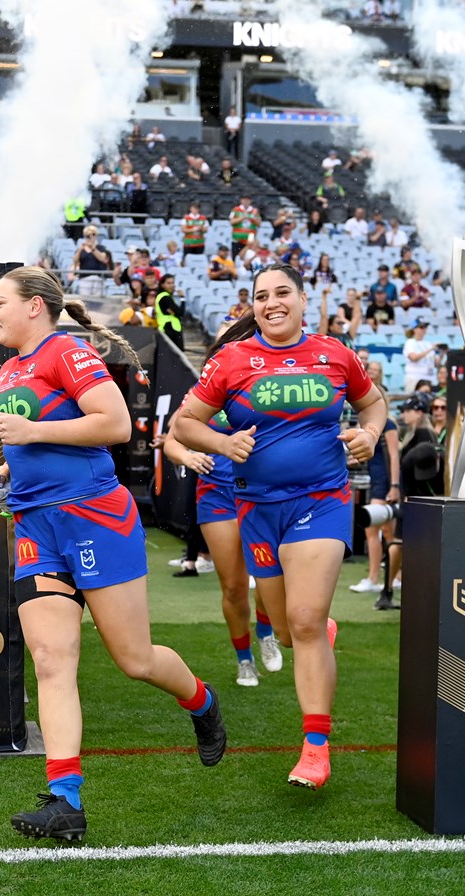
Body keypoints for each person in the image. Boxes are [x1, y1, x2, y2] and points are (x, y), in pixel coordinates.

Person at [0, 266, 225, 842]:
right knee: (50, 659)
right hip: (36, 525)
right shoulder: (12, 368)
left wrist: (33, 436)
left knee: (134, 659)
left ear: (35, 306)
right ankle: (65, 801)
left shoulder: (68, 353)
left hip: (94, 516)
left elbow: (115, 424)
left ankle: (202, 701)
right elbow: (25, 440)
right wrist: (3, 470)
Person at [173, 263, 386, 791]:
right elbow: (184, 424)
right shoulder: (231, 359)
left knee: (307, 619)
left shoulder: (335, 354)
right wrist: (222, 444)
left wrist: (371, 434)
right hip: (256, 510)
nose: (272, 302)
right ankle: (312, 632)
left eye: (282, 292)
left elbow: (372, 403)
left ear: (302, 298)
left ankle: (316, 748)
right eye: (261, 295)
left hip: (322, 501)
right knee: (290, 632)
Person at [165, 313, 285, 686]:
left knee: (269, 578)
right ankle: (244, 658)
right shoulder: (203, 389)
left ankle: (266, 630)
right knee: (233, 586)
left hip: (263, 492)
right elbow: (172, 439)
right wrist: (188, 457)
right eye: (226, 342)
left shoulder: (266, 383)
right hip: (217, 495)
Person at [381, 392, 445, 609]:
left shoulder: (424, 435)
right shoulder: (416, 433)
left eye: (407, 411)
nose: (404, 415)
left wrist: (400, 489)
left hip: (417, 498)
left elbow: (427, 473)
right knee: (401, 544)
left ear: (417, 412)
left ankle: (394, 589)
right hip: (415, 497)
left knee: (403, 544)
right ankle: (390, 589)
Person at [348, 385, 400, 597]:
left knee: (376, 531)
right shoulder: (370, 427)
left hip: (385, 483)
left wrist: (395, 486)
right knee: (386, 533)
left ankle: (374, 578)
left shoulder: (388, 424)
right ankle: (392, 577)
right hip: (378, 482)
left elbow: (394, 456)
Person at [402, 319, 440, 393]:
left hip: (430, 377)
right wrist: (431, 349)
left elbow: (436, 364)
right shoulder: (410, 342)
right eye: (421, 327)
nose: (424, 329)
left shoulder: (427, 343)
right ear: (414, 329)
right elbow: (414, 358)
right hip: (416, 378)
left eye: (425, 327)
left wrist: (442, 353)